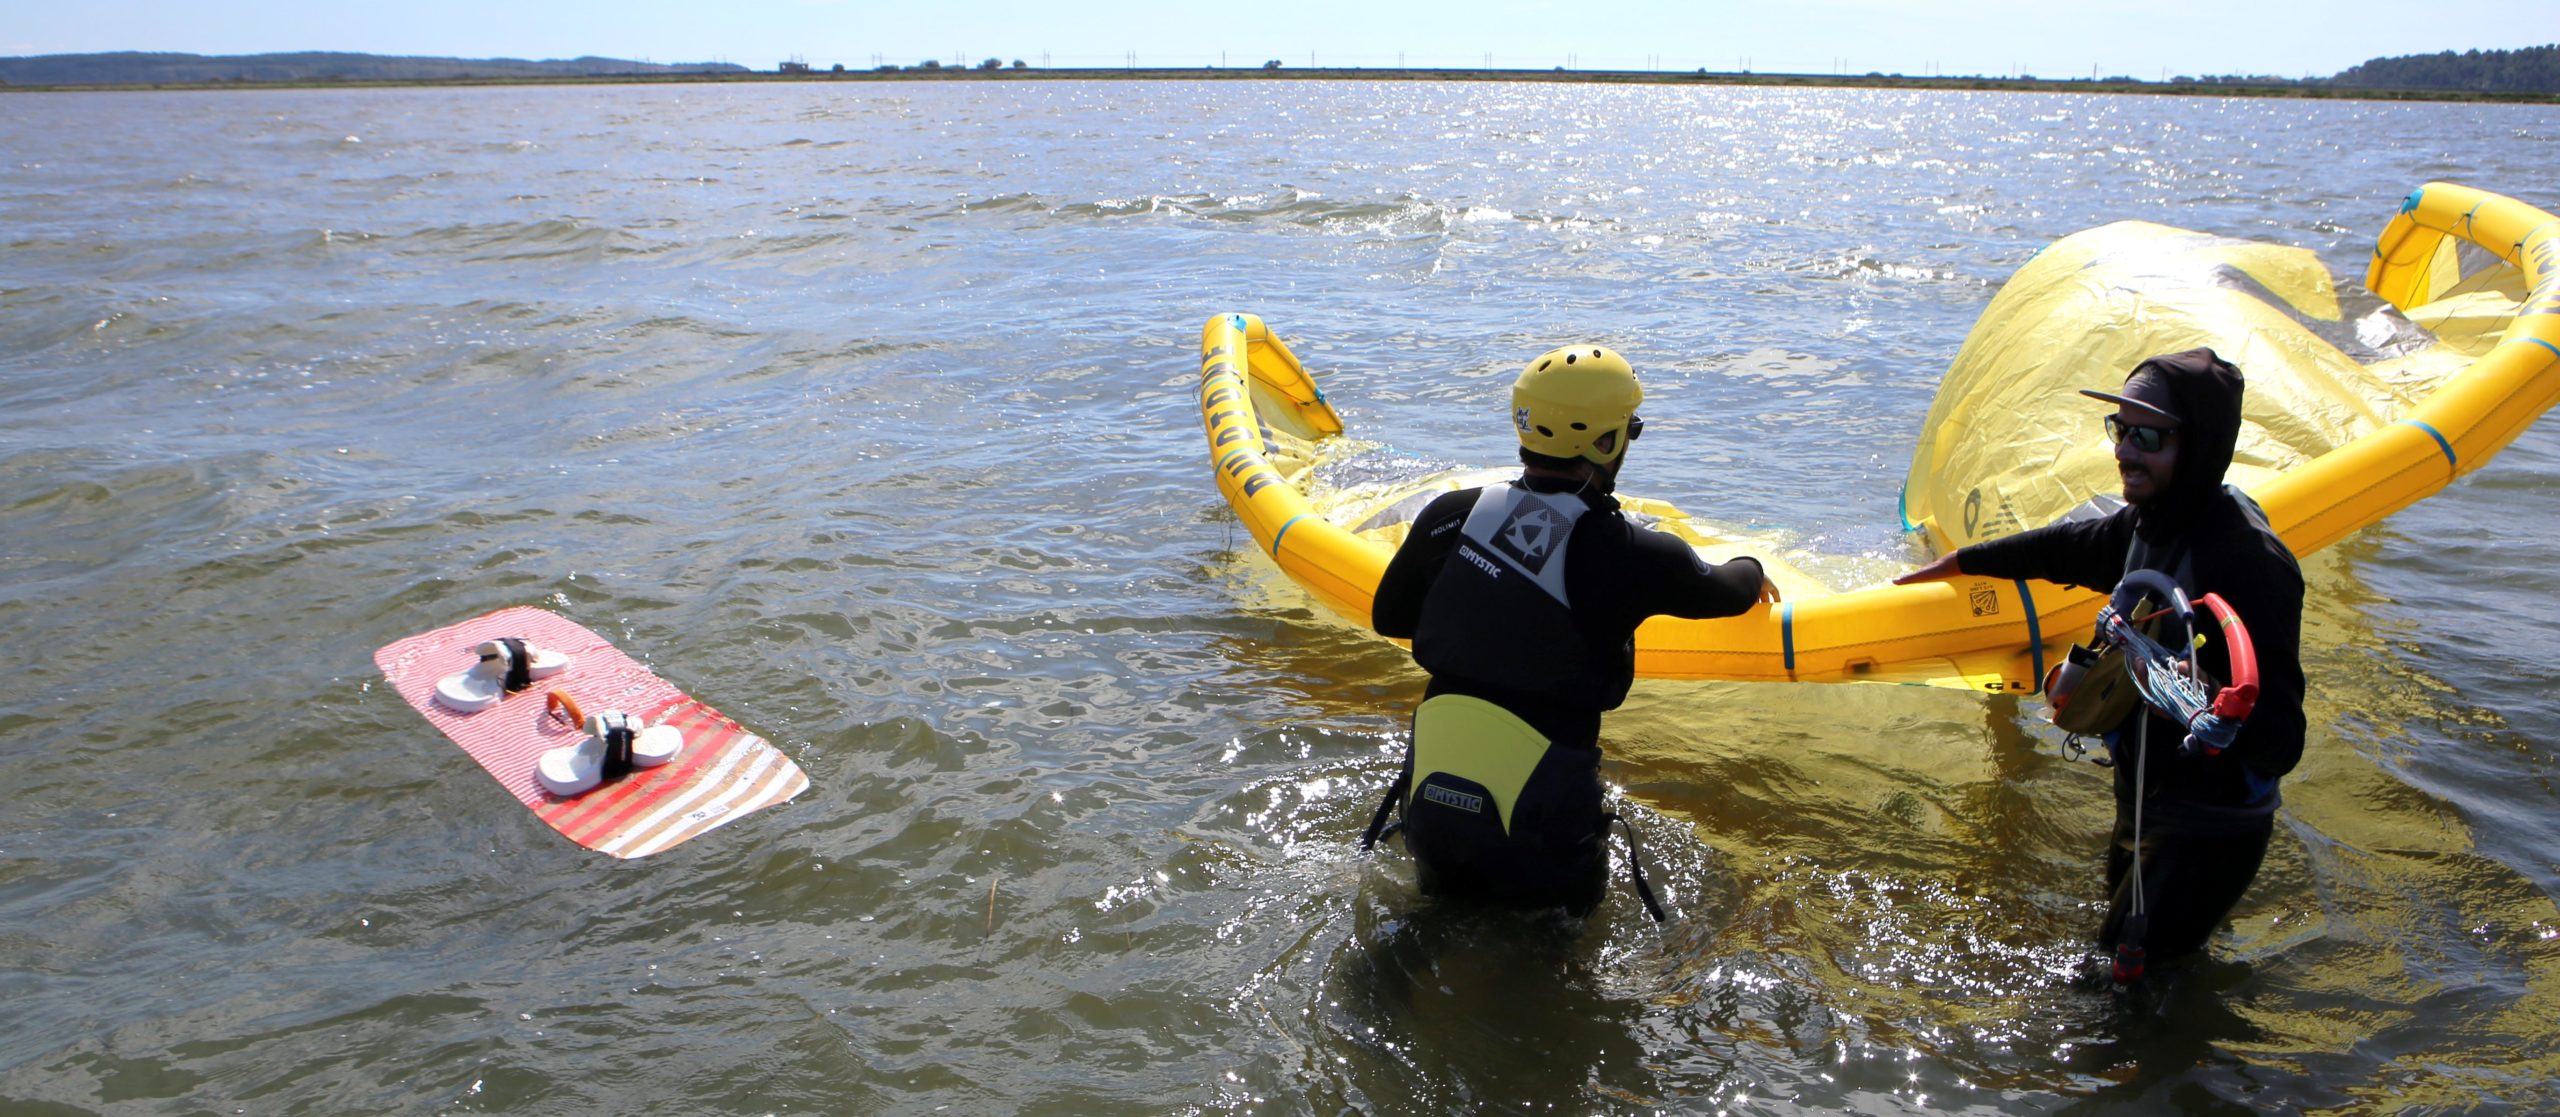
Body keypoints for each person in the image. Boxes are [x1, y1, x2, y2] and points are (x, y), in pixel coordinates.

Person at [1894, 348, 2306, 982]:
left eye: (2148, 436)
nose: (2124, 451)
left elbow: (2284, 738)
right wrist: (1964, 562)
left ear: (2197, 446)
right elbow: (2069, 548)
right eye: (2120, 429)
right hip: (2146, 799)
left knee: (2120, 991)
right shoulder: (2151, 520)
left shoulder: (2249, 559)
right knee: (2128, 970)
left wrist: (2214, 696)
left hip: (2209, 828)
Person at [1364, 344, 1779, 920]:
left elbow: (1391, 619)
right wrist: (1755, 569)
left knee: (1435, 926)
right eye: (1628, 431)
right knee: (1555, 965)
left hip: (1435, 790)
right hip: (1541, 813)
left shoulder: (1451, 513)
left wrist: (1498, 618)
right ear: (1606, 443)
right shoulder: (1629, 552)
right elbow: (1728, 592)